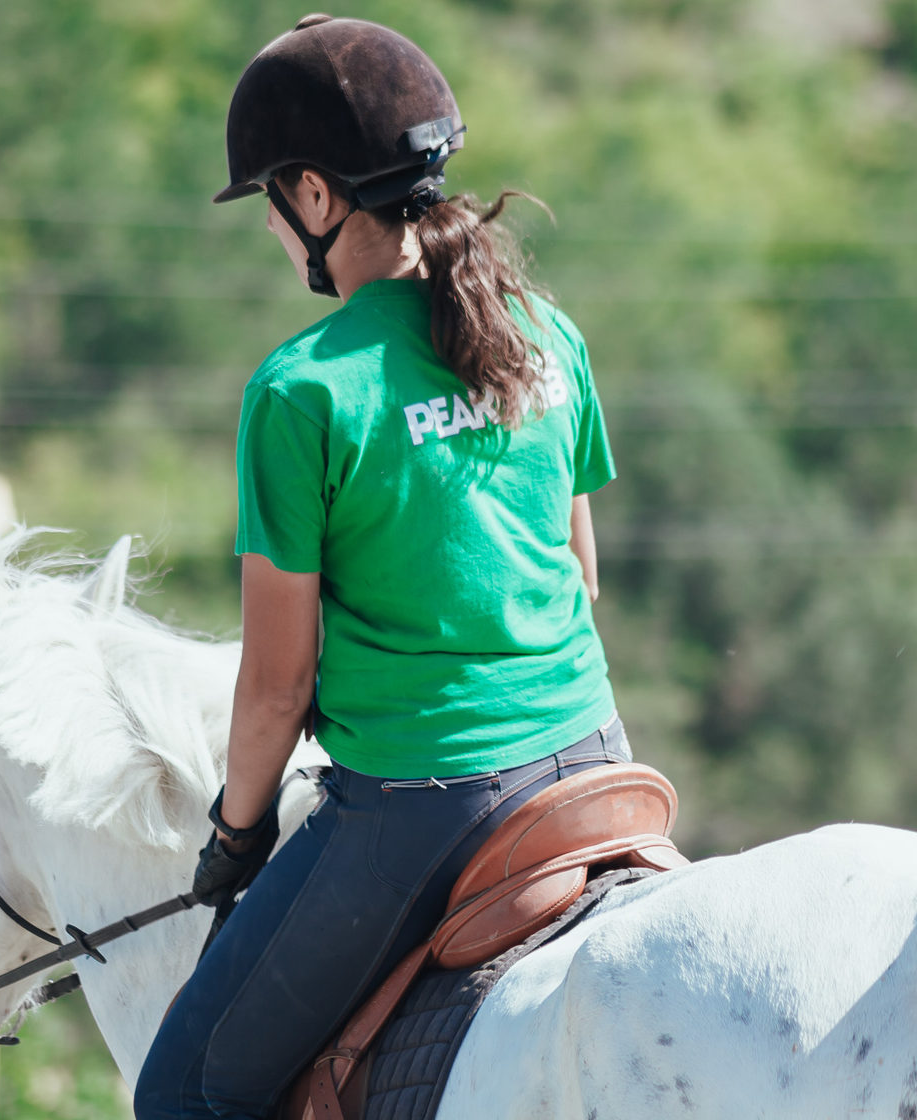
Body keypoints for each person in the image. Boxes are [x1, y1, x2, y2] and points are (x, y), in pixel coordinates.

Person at [133, 15, 629, 1119]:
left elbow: (276, 687)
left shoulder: (301, 390)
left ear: (316, 198)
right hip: (598, 757)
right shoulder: (545, 329)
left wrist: (236, 833)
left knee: (183, 1093)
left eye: (270, 200)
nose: (271, 226)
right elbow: (581, 575)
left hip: (427, 800)